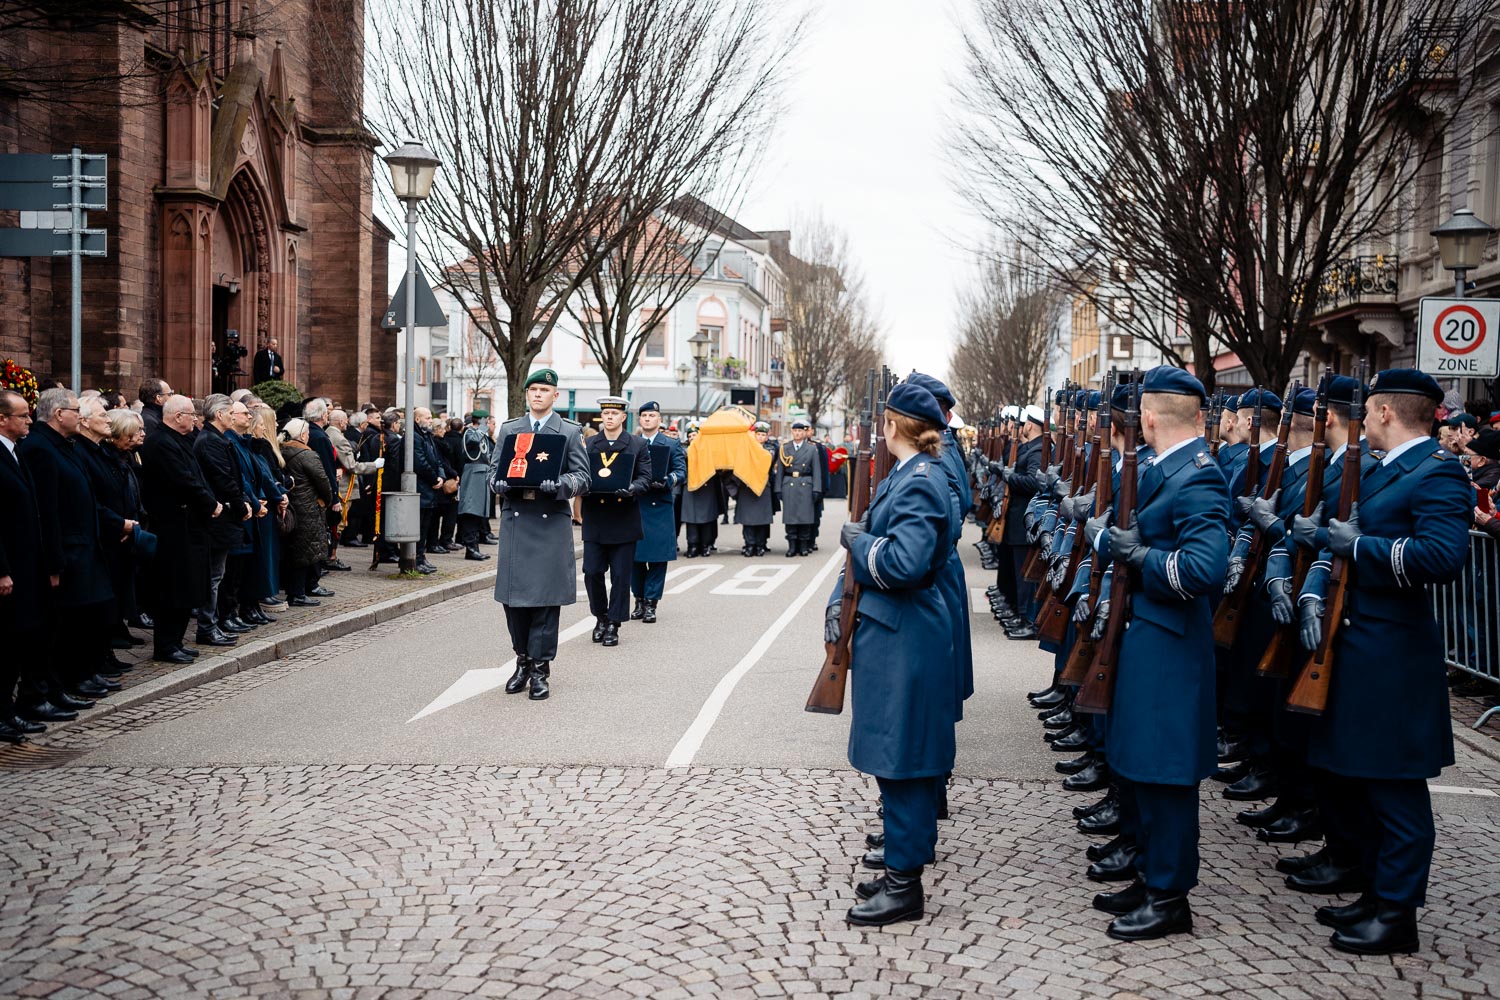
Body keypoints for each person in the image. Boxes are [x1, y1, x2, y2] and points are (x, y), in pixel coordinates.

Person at [1292, 368, 1472, 955]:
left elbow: (1444, 557)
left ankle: (1398, 915)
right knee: (1362, 778)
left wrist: (1359, 548)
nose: (1362, 419)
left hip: (1394, 654)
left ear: (1388, 412)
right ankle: (1374, 890)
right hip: (1358, 645)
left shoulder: (1438, 472)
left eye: (1368, 410)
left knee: (1396, 790)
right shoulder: (1380, 469)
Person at [1081, 365, 1230, 941]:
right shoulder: (1166, 471)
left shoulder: (1197, 477)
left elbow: (1203, 569)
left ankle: (1170, 896)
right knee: (1141, 764)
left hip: (1169, 643)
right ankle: (1149, 875)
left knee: (1166, 774)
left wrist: (1139, 557)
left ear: (1146, 417)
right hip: (1146, 636)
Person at [825, 382, 955, 927]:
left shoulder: (920, 482)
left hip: (904, 634)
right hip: (895, 632)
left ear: (893, 425)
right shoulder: (909, 475)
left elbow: (905, 564)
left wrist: (860, 543)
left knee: (902, 761)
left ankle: (904, 887)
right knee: (902, 759)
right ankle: (904, 865)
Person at [20, 388, 129, 708]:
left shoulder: (63, 446)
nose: (79, 417)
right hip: (67, 550)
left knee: (88, 615)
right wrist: (54, 562)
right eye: (74, 411)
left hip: (83, 546)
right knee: (65, 624)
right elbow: (48, 510)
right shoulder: (41, 448)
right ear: (58, 414)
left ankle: (76, 677)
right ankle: (60, 683)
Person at [489, 369, 589, 700]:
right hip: (517, 522)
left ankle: (541, 670)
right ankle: (522, 660)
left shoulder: (570, 431)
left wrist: (562, 485)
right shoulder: (509, 429)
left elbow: (583, 477)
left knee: (545, 602)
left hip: (550, 522)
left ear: (555, 395)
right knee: (514, 601)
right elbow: (492, 471)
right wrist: (498, 484)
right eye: (532, 389)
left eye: (544, 389)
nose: (537, 394)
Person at [138, 395, 220, 662]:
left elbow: (198, 476)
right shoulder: (161, 443)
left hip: (190, 525)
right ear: (176, 416)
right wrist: (210, 503)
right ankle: (166, 644)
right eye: (190, 414)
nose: (195, 419)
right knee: (173, 588)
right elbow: (183, 480)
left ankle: (176, 641)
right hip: (173, 526)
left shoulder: (181, 439)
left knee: (188, 587)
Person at [0, 389, 56, 736]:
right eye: (22, 415)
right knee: (6, 643)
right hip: (9, 569)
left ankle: (9, 709)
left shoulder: (16, 452)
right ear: (2, 419)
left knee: (19, 640)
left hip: (26, 565)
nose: (29, 420)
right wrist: (2, 569)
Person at [581, 396, 651, 647]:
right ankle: (600, 616)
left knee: (621, 576)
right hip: (596, 517)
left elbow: (645, 476)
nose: (609, 417)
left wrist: (633, 488)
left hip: (623, 518)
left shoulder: (637, 444)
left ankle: (614, 623)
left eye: (614, 413)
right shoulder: (589, 444)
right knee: (591, 571)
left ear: (624, 417)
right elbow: (579, 473)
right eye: (605, 413)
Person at [193, 396, 253, 645]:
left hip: (225, 516)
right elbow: (224, 479)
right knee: (214, 576)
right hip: (218, 517)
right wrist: (241, 507)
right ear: (219, 415)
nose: (232, 415)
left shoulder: (217, 440)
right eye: (230, 412)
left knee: (218, 574)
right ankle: (207, 627)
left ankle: (211, 624)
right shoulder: (210, 442)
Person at [630, 401, 686, 622]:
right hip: (635, 504)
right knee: (634, 557)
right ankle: (639, 600)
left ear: (659, 419)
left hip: (659, 504)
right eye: (644, 415)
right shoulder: (632, 442)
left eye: (651, 415)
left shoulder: (671, 444)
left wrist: (669, 479)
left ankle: (652, 603)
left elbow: (681, 471)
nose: (647, 419)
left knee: (657, 558)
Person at [279, 418, 336, 607]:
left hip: (291, 506)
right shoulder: (307, 455)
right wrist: (327, 500)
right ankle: (298, 593)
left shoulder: (281, 450)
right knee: (305, 551)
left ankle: (297, 590)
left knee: (295, 550)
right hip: (308, 508)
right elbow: (324, 482)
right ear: (303, 435)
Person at [775, 419, 824, 556]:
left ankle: (803, 546)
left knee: (805, 518)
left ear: (804, 433)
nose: (797, 433)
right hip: (789, 484)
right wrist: (778, 488)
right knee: (790, 518)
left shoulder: (811, 449)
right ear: (792, 432)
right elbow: (780, 471)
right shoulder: (785, 448)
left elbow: (817, 471)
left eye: (800, 431)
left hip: (805, 484)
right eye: (795, 431)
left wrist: (816, 489)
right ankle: (791, 546)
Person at [734, 421, 776, 556]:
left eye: (763, 435)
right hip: (747, 487)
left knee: (761, 520)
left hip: (763, 487)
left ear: (767, 437)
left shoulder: (769, 449)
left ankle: (760, 544)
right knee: (748, 520)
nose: (761, 437)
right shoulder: (745, 448)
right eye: (758, 434)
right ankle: (749, 544)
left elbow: (767, 459)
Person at [456, 413, 495, 560]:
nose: (490, 426)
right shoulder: (469, 432)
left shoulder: (482, 434)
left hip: (482, 473)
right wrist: (483, 428)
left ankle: (474, 547)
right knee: (471, 511)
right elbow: (472, 442)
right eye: (489, 422)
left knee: (478, 513)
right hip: (473, 474)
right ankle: (471, 548)